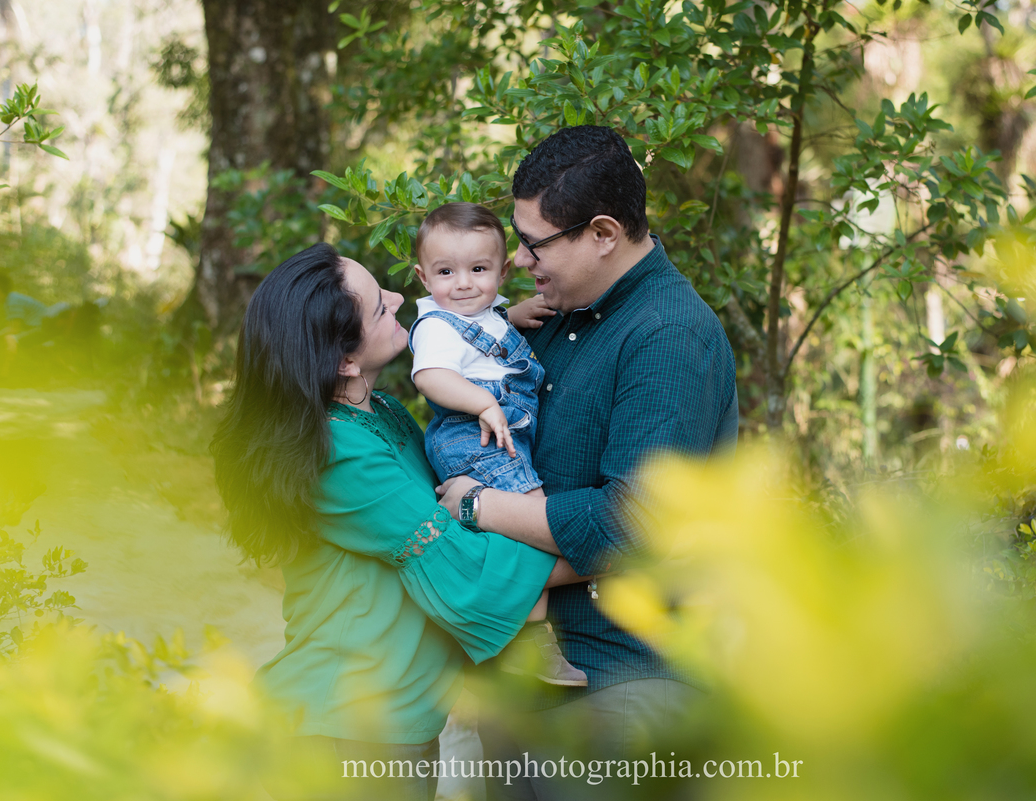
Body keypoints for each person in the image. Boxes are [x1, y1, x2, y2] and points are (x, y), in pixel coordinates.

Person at [210, 243, 588, 801]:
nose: (396, 296)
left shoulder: (380, 413)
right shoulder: (337, 453)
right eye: (378, 305)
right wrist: (612, 545)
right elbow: (464, 566)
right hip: (345, 724)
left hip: (391, 721)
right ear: (343, 359)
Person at [435, 125, 739, 799]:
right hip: (533, 683)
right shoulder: (560, 318)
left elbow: (626, 524)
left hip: (621, 686)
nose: (520, 259)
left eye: (534, 242)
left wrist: (473, 507)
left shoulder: (669, 335)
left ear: (603, 233)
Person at [409, 201, 585, 687]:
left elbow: (492, 323)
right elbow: (432, 376)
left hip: (495, 435)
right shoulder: (436, 326)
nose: (463, 283)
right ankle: (531, 642)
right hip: (475, 436)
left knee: (513, 529)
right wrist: (482, 404)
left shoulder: (485, 313)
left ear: (503, 272)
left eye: (478, 269)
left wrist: (518, 312)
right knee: (536, 519)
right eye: (446, 271)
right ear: (423, 278)